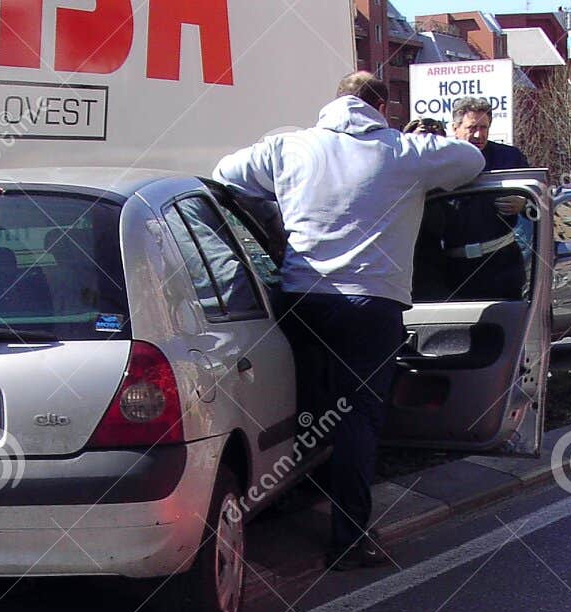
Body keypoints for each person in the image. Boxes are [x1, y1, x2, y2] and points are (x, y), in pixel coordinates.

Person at [213, 73, 485, 571]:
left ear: (335, 100)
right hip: (371, 304)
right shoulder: (404, 151)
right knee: (358, 418)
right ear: (380, 105)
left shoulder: (289, 146)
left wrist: (279, 215)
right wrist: (418, 136)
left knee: (307, 408)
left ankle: (287, 507)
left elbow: (226, 173)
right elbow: (474, 159)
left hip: (301, 298)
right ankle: (348, 538)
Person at [440, 96, 530, 302]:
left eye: (484, 127)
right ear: (455, 128)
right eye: (472, 128)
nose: (479, 134)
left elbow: (541, 201)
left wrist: (524, 203)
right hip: (453, 271)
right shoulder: (440, 160)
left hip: (502, 266)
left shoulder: (508, 158)